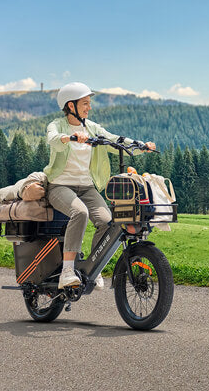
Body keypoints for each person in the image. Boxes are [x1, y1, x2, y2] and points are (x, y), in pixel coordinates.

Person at [44, 82, 156, 289]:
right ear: (71, 106)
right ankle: (67, 271)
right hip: (60, 186)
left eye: (89, 103)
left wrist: (140, 146)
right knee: (80, 212)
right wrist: (70, 137)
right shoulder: (57, 125)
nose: (89, 107)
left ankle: (92, 268)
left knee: (107, 222)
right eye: (85, 103)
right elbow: (53, 140)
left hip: (86, 187)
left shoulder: (92, 128)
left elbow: (115, 140)